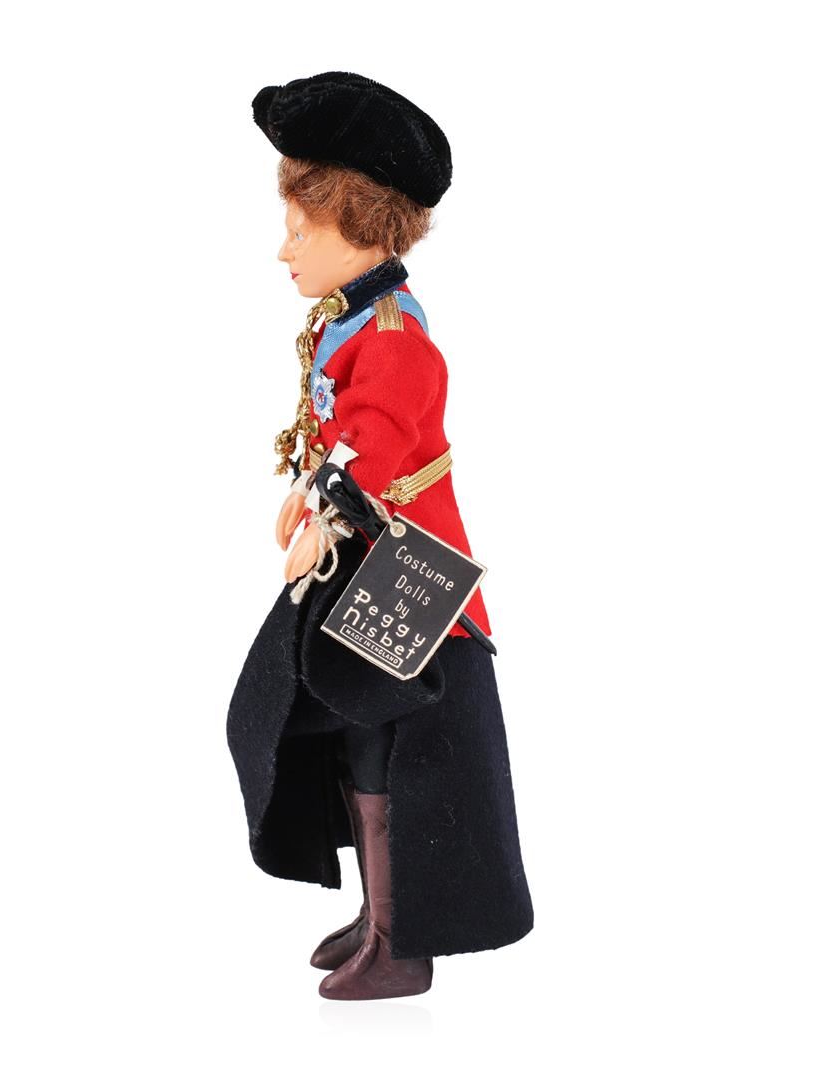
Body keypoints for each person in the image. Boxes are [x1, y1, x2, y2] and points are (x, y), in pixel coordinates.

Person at [227, 71, 533, 1001]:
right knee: (344, 731)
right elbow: (343, 434)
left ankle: (401, 940)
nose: (285, 250)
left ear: (358, 227)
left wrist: (324, 507)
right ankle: (379, 917)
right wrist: (310, 491)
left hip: (403, 570)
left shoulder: (394, 335)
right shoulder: (351, 317)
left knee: (387, 743)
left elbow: (376, 442)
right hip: (361, 557)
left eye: (302, 230)